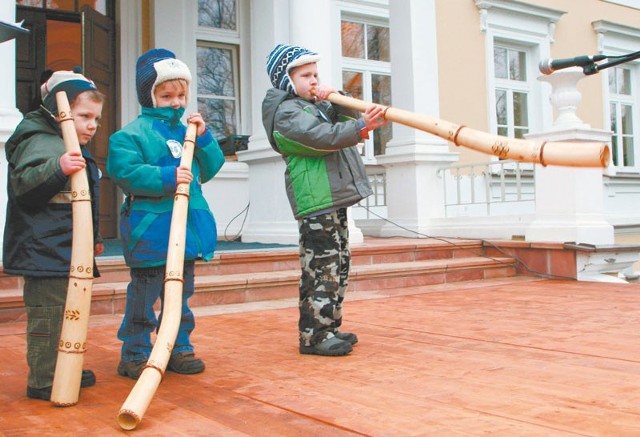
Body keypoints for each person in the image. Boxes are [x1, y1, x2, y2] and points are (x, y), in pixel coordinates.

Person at [262, 44, 388, 356]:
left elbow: (341, 120)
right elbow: (323, 138)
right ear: (286, 80)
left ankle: (329, 325)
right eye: (306, 75)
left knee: (338, 264)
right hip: (316, 200)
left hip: (332, 197)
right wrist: (360, 128)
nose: (314, 80)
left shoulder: (313, 106)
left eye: (316, 74)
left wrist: (339, 98)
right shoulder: (287, 113)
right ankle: (315, 336)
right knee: (321, 267)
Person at [107, 48, 224, 379]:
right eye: (167, 95)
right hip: (151, 230)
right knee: (144, 295)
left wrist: (204, 139)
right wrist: (167, 177)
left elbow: (211, 167)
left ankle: (178, 345)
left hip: (186, 229)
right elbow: (124, 171)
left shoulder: (187, 131)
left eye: (181, 94)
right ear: (149, 95)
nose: (176, 102)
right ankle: (135, 351)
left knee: (181, 295)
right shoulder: (130, 135)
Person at [3, 69, 105, 400]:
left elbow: (82, 198)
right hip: (43, 249)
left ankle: (66, 365)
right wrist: (57, 167)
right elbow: (24, 188)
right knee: (48, 317)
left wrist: (94, 237)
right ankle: (44, 379)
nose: (92, 125)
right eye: (84, 116)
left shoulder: (67, 142)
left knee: (69, 312)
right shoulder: (41, 143)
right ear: (59, 112)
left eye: (96, 119)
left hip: (67, 248)